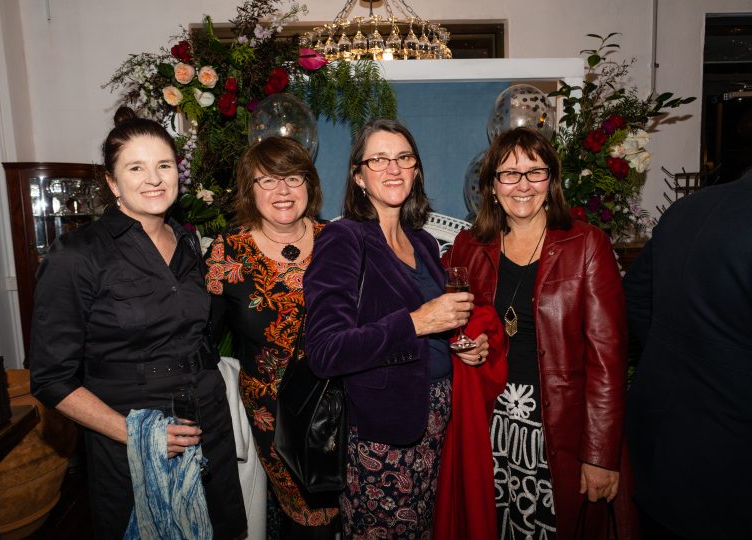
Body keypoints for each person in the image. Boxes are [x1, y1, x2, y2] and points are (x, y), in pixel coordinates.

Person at [30, 107, 247, 540]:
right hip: (130, 431)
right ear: (112, 183)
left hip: (207, 423)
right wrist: (136, 435)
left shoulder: (188, 241)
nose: (154, 179)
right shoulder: (77, 255)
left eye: (164, 165)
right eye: (136, 167)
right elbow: (51, 378)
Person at [445, 127, 639, 539]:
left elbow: (608, 360)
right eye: (510, 173)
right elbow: (454, 321)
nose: (523, 185)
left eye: (535, 172)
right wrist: (468, 344)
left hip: (560, 432)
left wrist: (601, 455)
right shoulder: (469, 246)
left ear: (551, 182)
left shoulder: (587, 245)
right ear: (492, 187)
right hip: (490, 426)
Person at [303, 118, 483, 538]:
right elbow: (326, 350)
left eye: (404, 158)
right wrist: (417, 323)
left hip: (434, 420)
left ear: (416, 169)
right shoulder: (343, 238)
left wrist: (459, 342)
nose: (393, 168)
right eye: (379, 159)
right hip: (381, 435)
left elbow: (434, 323)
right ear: (358, 176)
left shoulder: (420, 241)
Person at [205, 136, 339, 539]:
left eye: (293, 178)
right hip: (273, 415)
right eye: (267, 180)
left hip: (341, 402)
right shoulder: (228, 251)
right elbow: (200, 337)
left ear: (310, 186)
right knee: (306, 517)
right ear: (250, 190)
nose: (282, 190)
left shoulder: (339, 241)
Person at [623, 170, 752, 540]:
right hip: (730, 461)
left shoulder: (687, 207)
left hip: (659, 438)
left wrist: (673, 357)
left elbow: (633, 295)